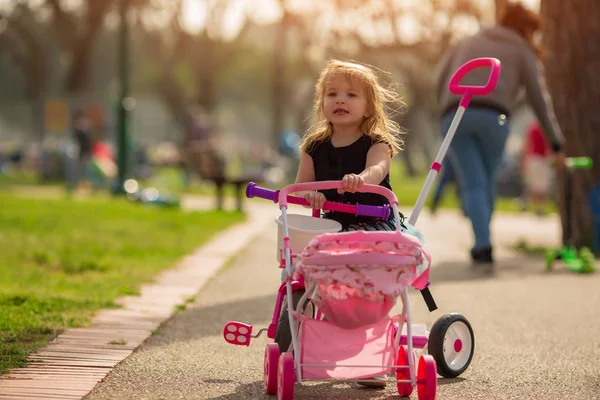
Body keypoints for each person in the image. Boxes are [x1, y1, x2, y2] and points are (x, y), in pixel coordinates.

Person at [435, 1, 566, 265]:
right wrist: (556, 142)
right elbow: (539, 99)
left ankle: (481, 242)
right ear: (527, 29)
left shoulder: (467, 40)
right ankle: (483, 242)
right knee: (487, 179)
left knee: (472, 181)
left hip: (455, 113)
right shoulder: (521, 49)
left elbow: (439, 77)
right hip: (495, 116)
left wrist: (446, 109)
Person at [295, 59, 404, 233]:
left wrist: (361, 179)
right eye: (332, 94)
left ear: (368, 108)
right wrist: (310, 195)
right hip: (334, 226)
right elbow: (300, 186)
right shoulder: (313, 147)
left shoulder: (376, 143)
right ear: (322, 104)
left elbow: (377, 168)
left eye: (351, 95)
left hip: (375, 226)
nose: (340, 100)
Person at [521, 120, 554, 215]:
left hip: (533, 159)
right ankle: (540, 208)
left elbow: (527, 144)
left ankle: (536, 207)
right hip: (543, 160)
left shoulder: (532, 128)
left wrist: (524, 160)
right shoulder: (547, 129)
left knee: (535, 186)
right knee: (543, 187)